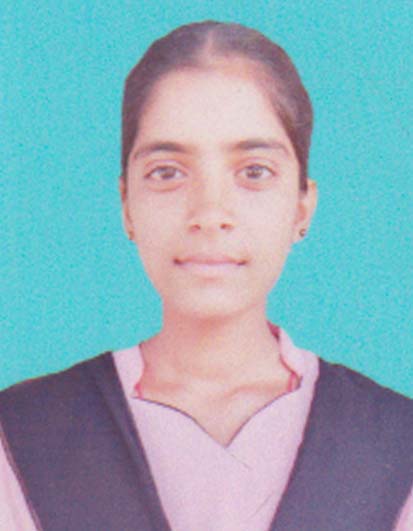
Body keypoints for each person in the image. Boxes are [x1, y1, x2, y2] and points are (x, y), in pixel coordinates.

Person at [1, 20, 412, 531]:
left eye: (254, 171)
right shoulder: (22, 438)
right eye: (167, 172)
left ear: (302, 206)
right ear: (127, 205)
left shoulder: (395, 442)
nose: (210, 213)